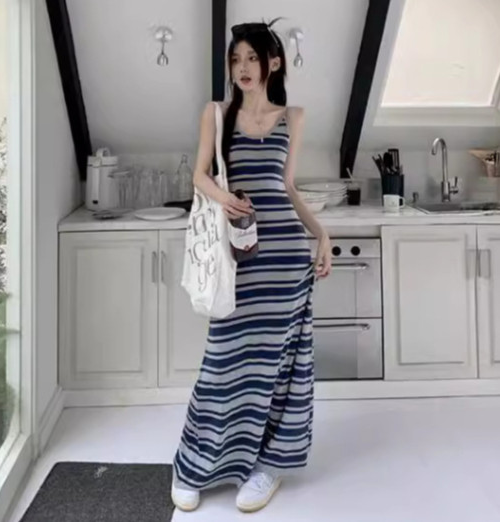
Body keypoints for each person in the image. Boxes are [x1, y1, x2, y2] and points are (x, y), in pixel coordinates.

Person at [171, 18, 332, 513]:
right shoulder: (217, 114)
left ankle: (269, 465)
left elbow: (288, 187)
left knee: (280, 365)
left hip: (287, 257)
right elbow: (199, 175)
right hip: (241, 257)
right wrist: (224, 199)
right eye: (236, 59)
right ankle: (195, 462)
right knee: (224, 361)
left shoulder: (293, 117)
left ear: (273, 63)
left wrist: (322, 234)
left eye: (253, 58)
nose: (242, 67)